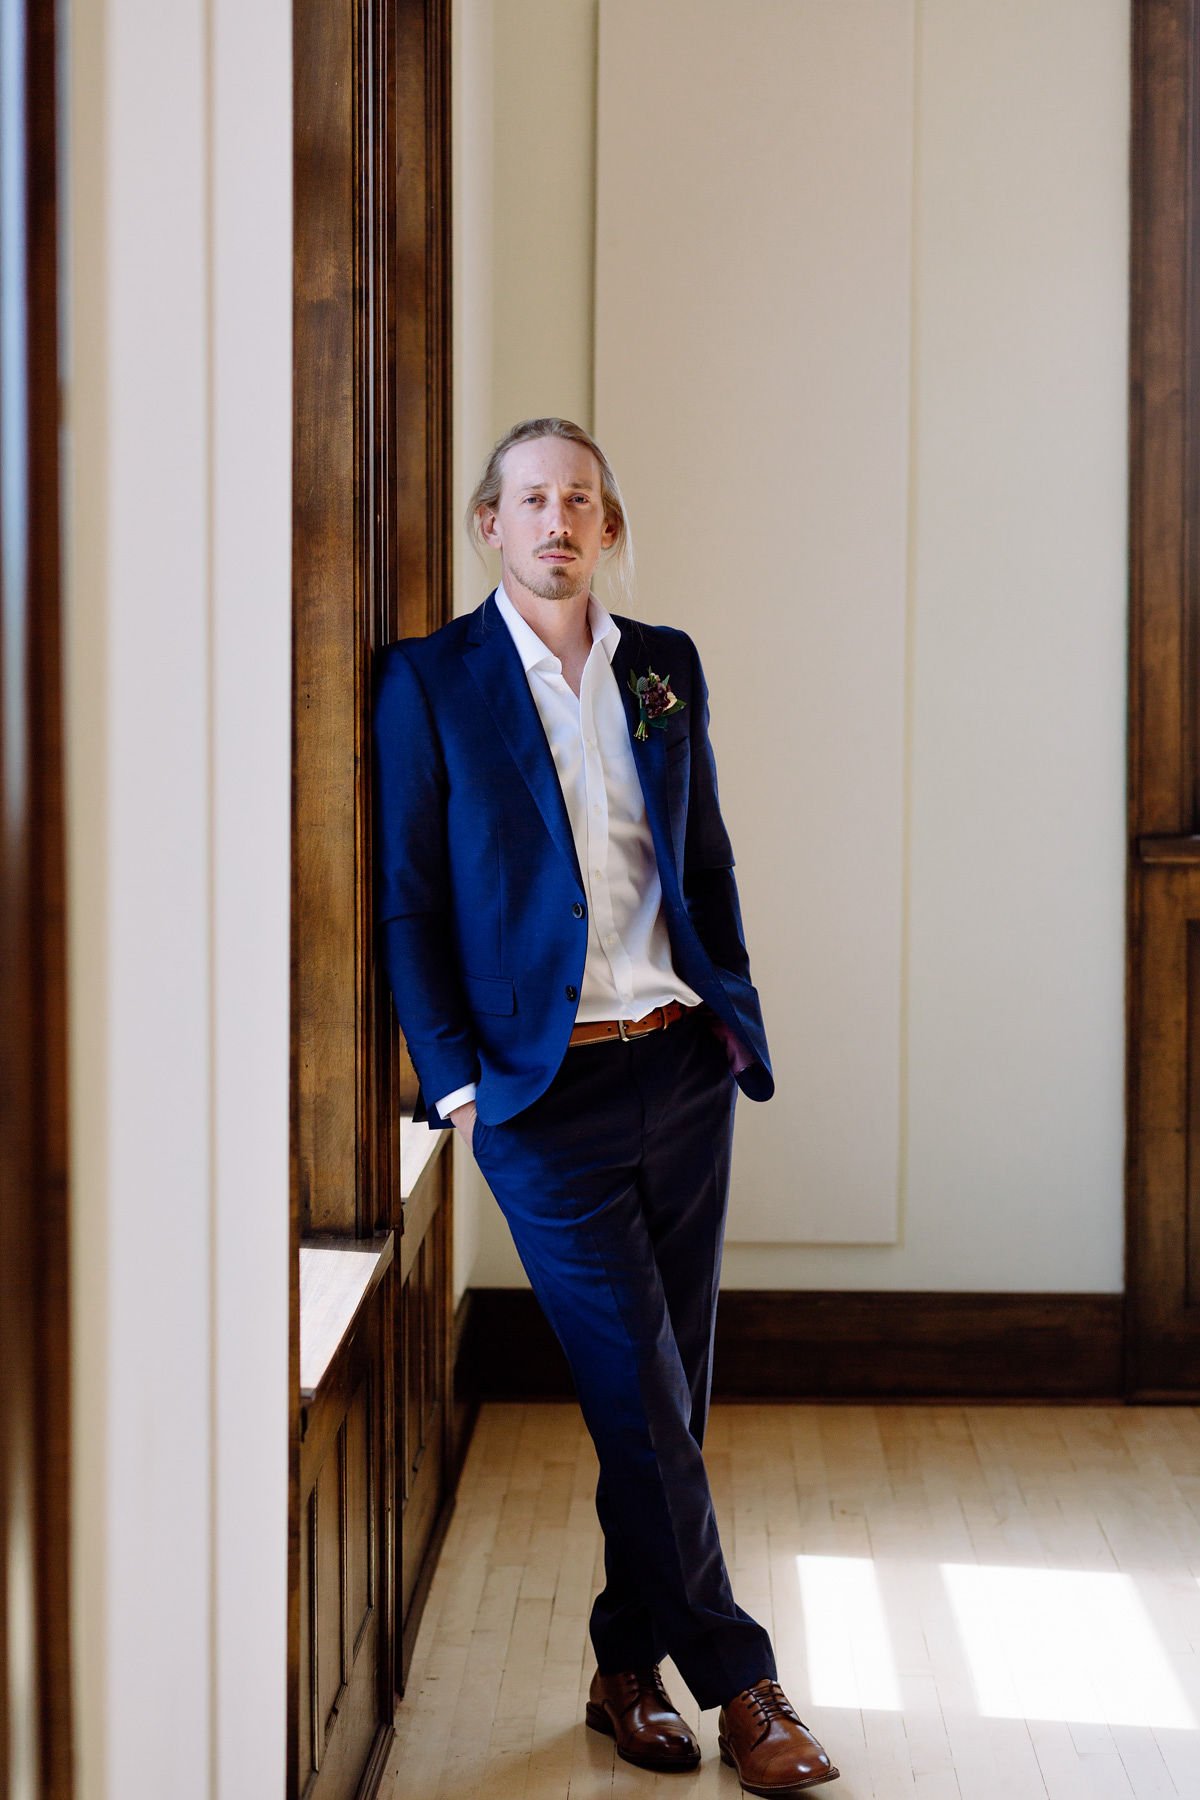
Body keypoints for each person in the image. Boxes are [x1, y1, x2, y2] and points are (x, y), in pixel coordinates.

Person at [373, 417, 839, 1794]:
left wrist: (731, 1010)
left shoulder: (662, 668)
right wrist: (457, 1081)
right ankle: (744, 1687)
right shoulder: (430, 683)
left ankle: (626, 1669)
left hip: (680, 1067)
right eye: (531, 500)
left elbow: (699, 853)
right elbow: (406, 897)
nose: (557, 521)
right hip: (539, 1093)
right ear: (489, 526)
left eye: (580, 499)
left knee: (667, 1395)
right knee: (639, 1389)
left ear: (609, 526)